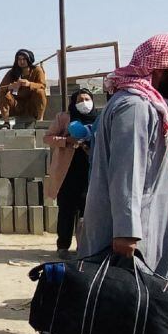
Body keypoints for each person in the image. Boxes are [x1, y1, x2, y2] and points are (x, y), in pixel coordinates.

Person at [27, 33, 168, 334]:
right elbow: (126, 171)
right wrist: (128, 230)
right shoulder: (133, 106)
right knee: (104, 299)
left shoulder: (148, 103)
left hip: (154, 224)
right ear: (159, 68)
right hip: (132, 226)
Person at [44, 89, 98, 259]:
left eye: (87, 99)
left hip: (91, 172)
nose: (84, 102)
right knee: (67, 210)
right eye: (80, 100)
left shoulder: (99, 118)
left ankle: (84, 247)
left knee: (88, 211)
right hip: (67, 172)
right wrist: (67, 140)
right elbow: (48, 138)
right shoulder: (63, 118)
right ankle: (63, 246)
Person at [0, 49, 47, 123]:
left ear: (29, 60)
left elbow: (42, 85)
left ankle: (40, 119)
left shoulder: (37, 70)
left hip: (31, 105)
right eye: (19, 59)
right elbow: (0, 89)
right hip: (15, 105)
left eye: (24, 59)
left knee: (40, 92)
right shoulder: (12, 72)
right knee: (2, 94)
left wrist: (29, 84)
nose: (21, 62)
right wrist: (10, 87)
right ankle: (6, 122)